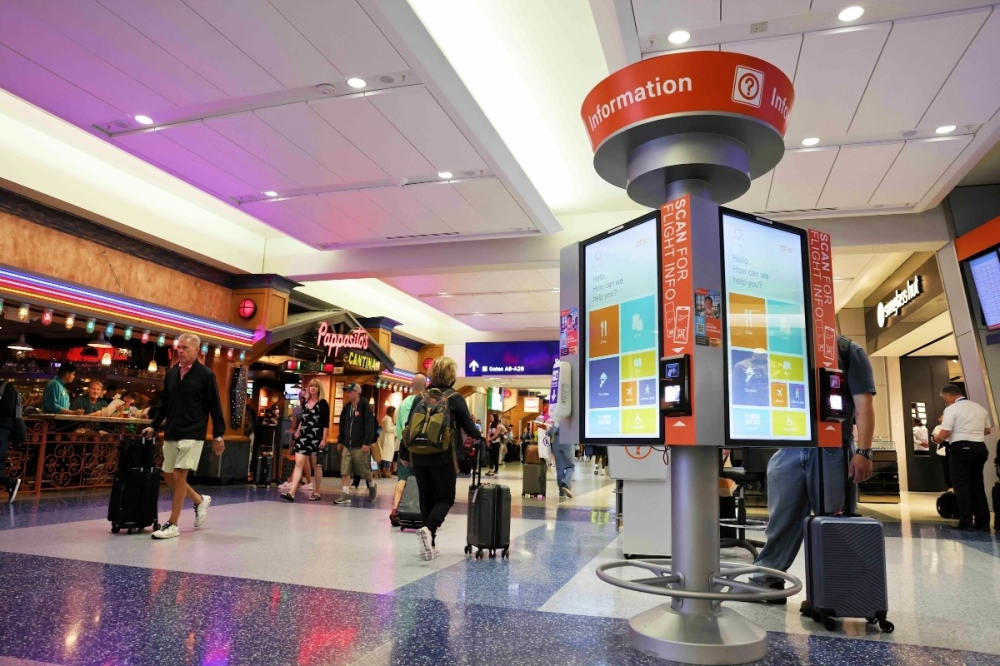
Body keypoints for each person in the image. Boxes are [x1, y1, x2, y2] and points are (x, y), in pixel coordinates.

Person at [750, 335, 875, 598]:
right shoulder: (785, 348)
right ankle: (767, 579)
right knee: (781, 521)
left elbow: (864, 405)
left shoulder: (848, 350)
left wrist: (863, 451)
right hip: (789, 446)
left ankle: (833, 591)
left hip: (833, 448)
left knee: (834, 521)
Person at [142, 333, 225, 540]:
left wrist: (218, 435)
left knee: (179, 475)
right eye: (179, 347)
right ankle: (199, 500)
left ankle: (173, 524)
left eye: (186, 348)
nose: (181, 351)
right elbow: (164, 404)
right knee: (169, 476)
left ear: (197, 351)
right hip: (172, 430)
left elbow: (215, 405)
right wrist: (154, 425)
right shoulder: (171, 374)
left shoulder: (206, 375)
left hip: (193, 432)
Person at [399, 357, 481, 561]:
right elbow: (470, 429)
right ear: (451, 375)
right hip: (444, 457)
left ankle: (429, 545)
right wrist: (481, 437)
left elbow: (409, 428)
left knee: (426, 497)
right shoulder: (455, 398)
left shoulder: (421, 398)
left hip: (419, 455)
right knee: (445, 498)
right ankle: (429, 529)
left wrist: (403, 454)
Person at [932, 385, 993, 531]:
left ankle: (966, 521)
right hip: (980, 448)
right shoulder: (980, 408)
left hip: (961, 448)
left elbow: (945, 433)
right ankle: (983, 522)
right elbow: (987, 430)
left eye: (944, 399)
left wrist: (937, 439)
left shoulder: (951, 409)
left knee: (961, 485)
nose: (945, 401)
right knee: (977, 484)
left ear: (948, 396)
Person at [281, 379, 329, 502]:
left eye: (315, 386)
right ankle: (291, 492)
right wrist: (298, 429)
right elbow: (303, 419)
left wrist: (324, 439)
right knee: (299, 462)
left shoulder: (323, 403)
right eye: (311, 386)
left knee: (316, 465)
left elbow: (325, 423)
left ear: (319, 389)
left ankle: (317, 491)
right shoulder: (305, 403)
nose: (313, 388)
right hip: (304, 436)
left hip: (316, 437)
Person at [390, 373, 426, 526]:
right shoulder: (425, 402)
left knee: (403, 479)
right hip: (419, 448)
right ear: (425, 386)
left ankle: (395, 509)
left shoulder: (403, 403)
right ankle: (417, 511)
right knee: (420, 480)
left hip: (402, 447)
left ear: (412, 384)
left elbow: (398, 425)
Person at [334, 383, 377, 504]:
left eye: (350, 391)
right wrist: (340, 440)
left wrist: (367, 442)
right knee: (345, 469)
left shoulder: (365, 406)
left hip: (360, 445)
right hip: (347, 444)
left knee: (364, 470)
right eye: (347, 391)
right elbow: (342, 425)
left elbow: (369, 425)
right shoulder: (346, 407)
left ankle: (372, 486)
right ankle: (345, 493)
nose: (347, 394)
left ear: (357, 392)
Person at [0, 380, 22, 502]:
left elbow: (7, 408)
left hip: (2, 428)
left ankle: (11, 482)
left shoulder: (7, 387)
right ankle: (10, 483)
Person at [549, 420, 575, 498]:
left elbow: (551, 431)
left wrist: (546, 432)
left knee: (559, 468)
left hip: (556, 443)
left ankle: (561, 492)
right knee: (570, 466)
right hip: (568, 441)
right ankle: (566, 484)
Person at [932, 415, 952, 491]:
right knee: (946, 469)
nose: (940, 418)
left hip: (954, 450)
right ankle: (950, 487)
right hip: (942, 451)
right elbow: (935, 438)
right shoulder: (938, 428)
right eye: (940, 417)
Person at [379, 406, 396, 478]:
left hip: (386, 438)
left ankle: (384, 470)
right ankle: (387, 471)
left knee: (385, 456)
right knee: (388, 456)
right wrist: (396, 427)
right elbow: (388, 429)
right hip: (388, 439)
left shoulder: (385, 418)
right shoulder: (388, 419)